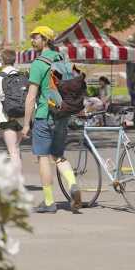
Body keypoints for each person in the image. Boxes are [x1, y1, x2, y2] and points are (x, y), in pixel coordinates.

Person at [21, 26, 81, 214]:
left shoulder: (38, 63)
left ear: (45, 39)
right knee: (58, 155)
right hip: (62, 115)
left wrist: (25, 124)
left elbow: (31, 97)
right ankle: (72, 184)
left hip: (45, 116)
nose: (32, 40)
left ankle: (49, 202)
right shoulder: (62, 58)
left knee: (43, 158)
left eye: (36, 37)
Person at [0, 49, 24, 174]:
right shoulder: (23, 76)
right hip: (22, 118)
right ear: (14, 60)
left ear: (1, 60)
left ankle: (16, 182)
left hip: (6, 118)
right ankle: (17, 180)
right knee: (16, 149)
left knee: (12, 151)